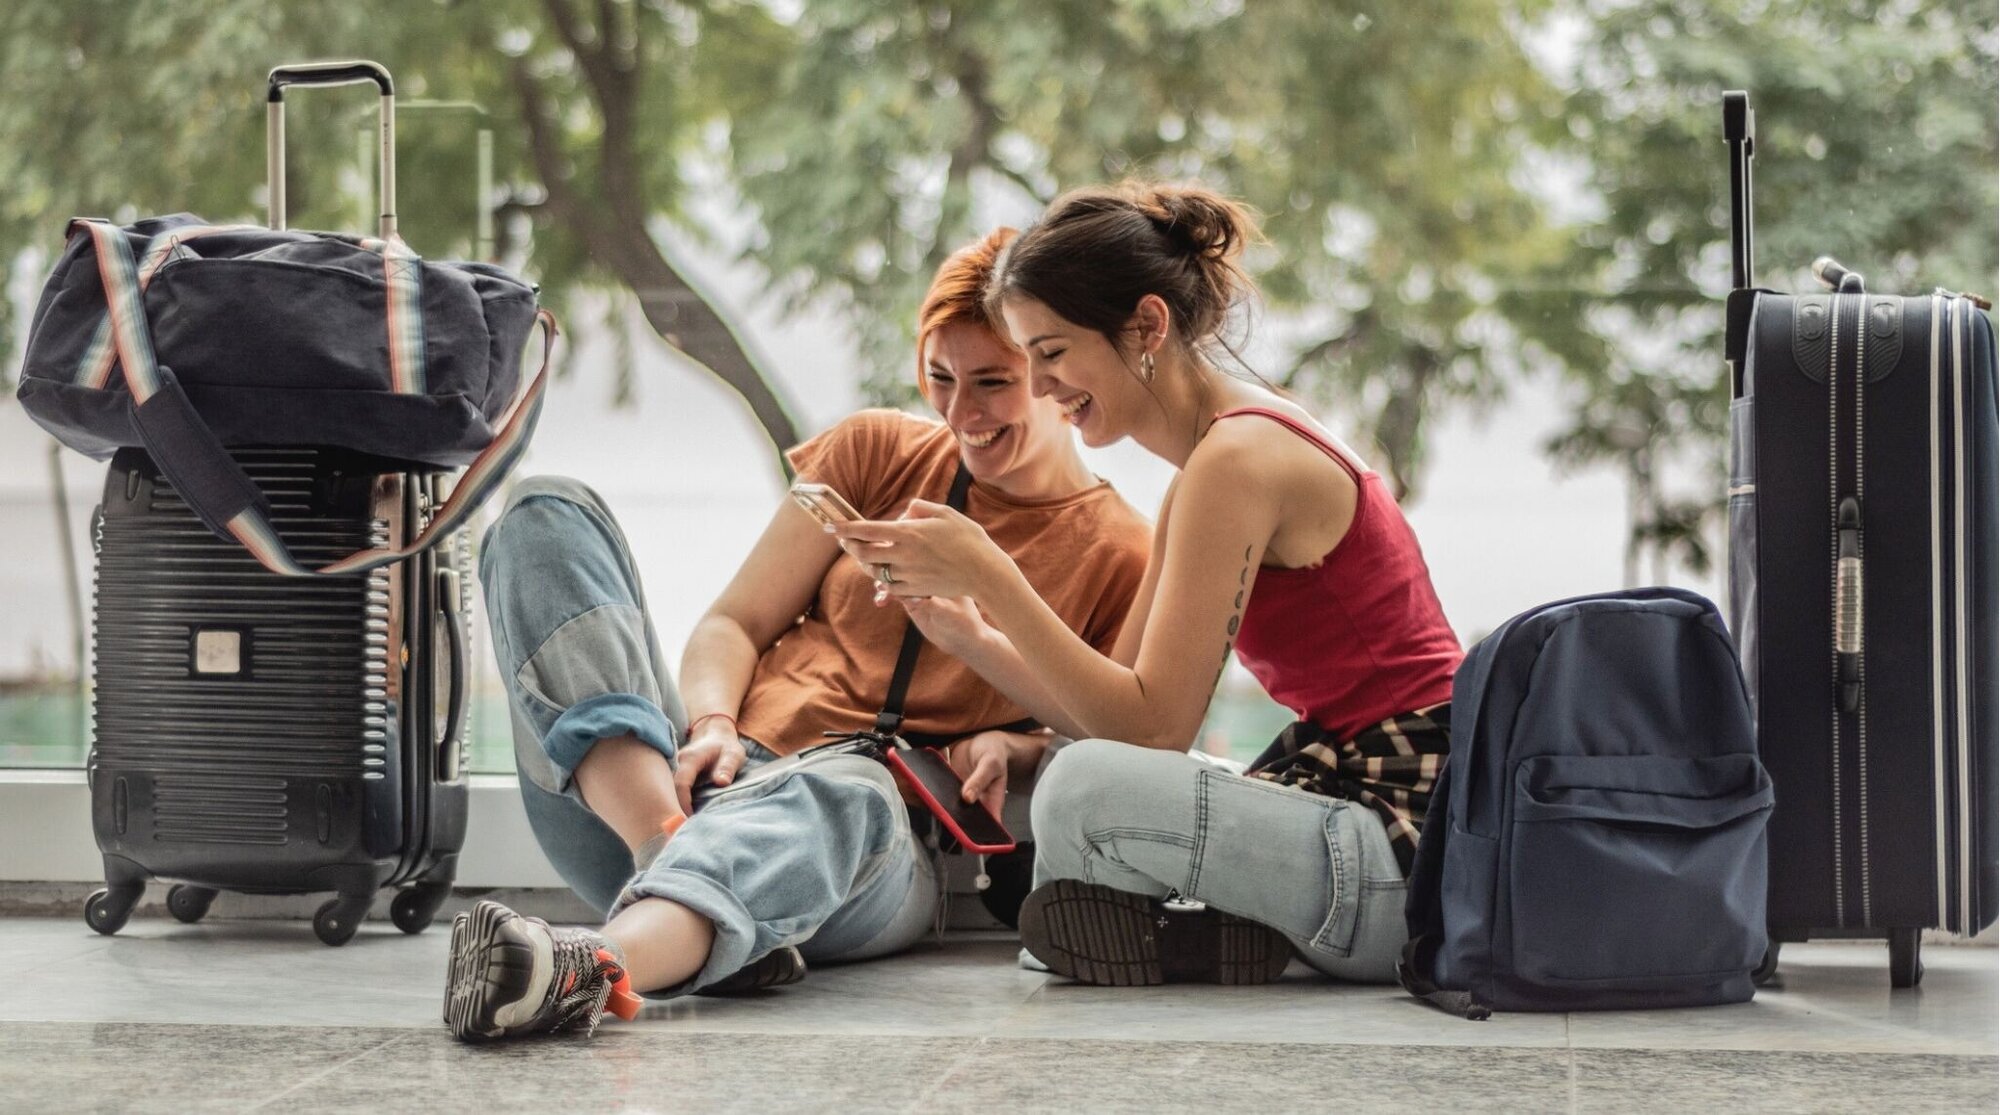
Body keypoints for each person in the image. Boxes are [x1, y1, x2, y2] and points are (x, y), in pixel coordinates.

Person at [443, 229, 1152, 1041]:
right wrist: (709, 725)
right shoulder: (875, 452)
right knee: (544, 512)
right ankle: (667, 855)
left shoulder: (1123, 551)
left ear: (1058, 379)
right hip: (667, 795)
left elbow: (1110, 742)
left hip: (862, 849)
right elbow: (733, 623)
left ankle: (586, 967)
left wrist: (1015, 743)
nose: (960, 414)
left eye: (992, 383)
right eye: (941, 378)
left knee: (848, 786)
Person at [833, 182, 1464, 986]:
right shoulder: (1209, 464)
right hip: (1363, 828)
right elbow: (1106, 717)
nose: (1040, 386)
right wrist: (970, 633)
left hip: (1410, 853)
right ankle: (1189, 932)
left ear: (1146, 327)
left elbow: (1153, 732)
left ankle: (1174, 931)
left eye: (1052, 353)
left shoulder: (1236, 462)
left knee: (1080, 789)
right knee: (1066, 772)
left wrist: (994, 574)